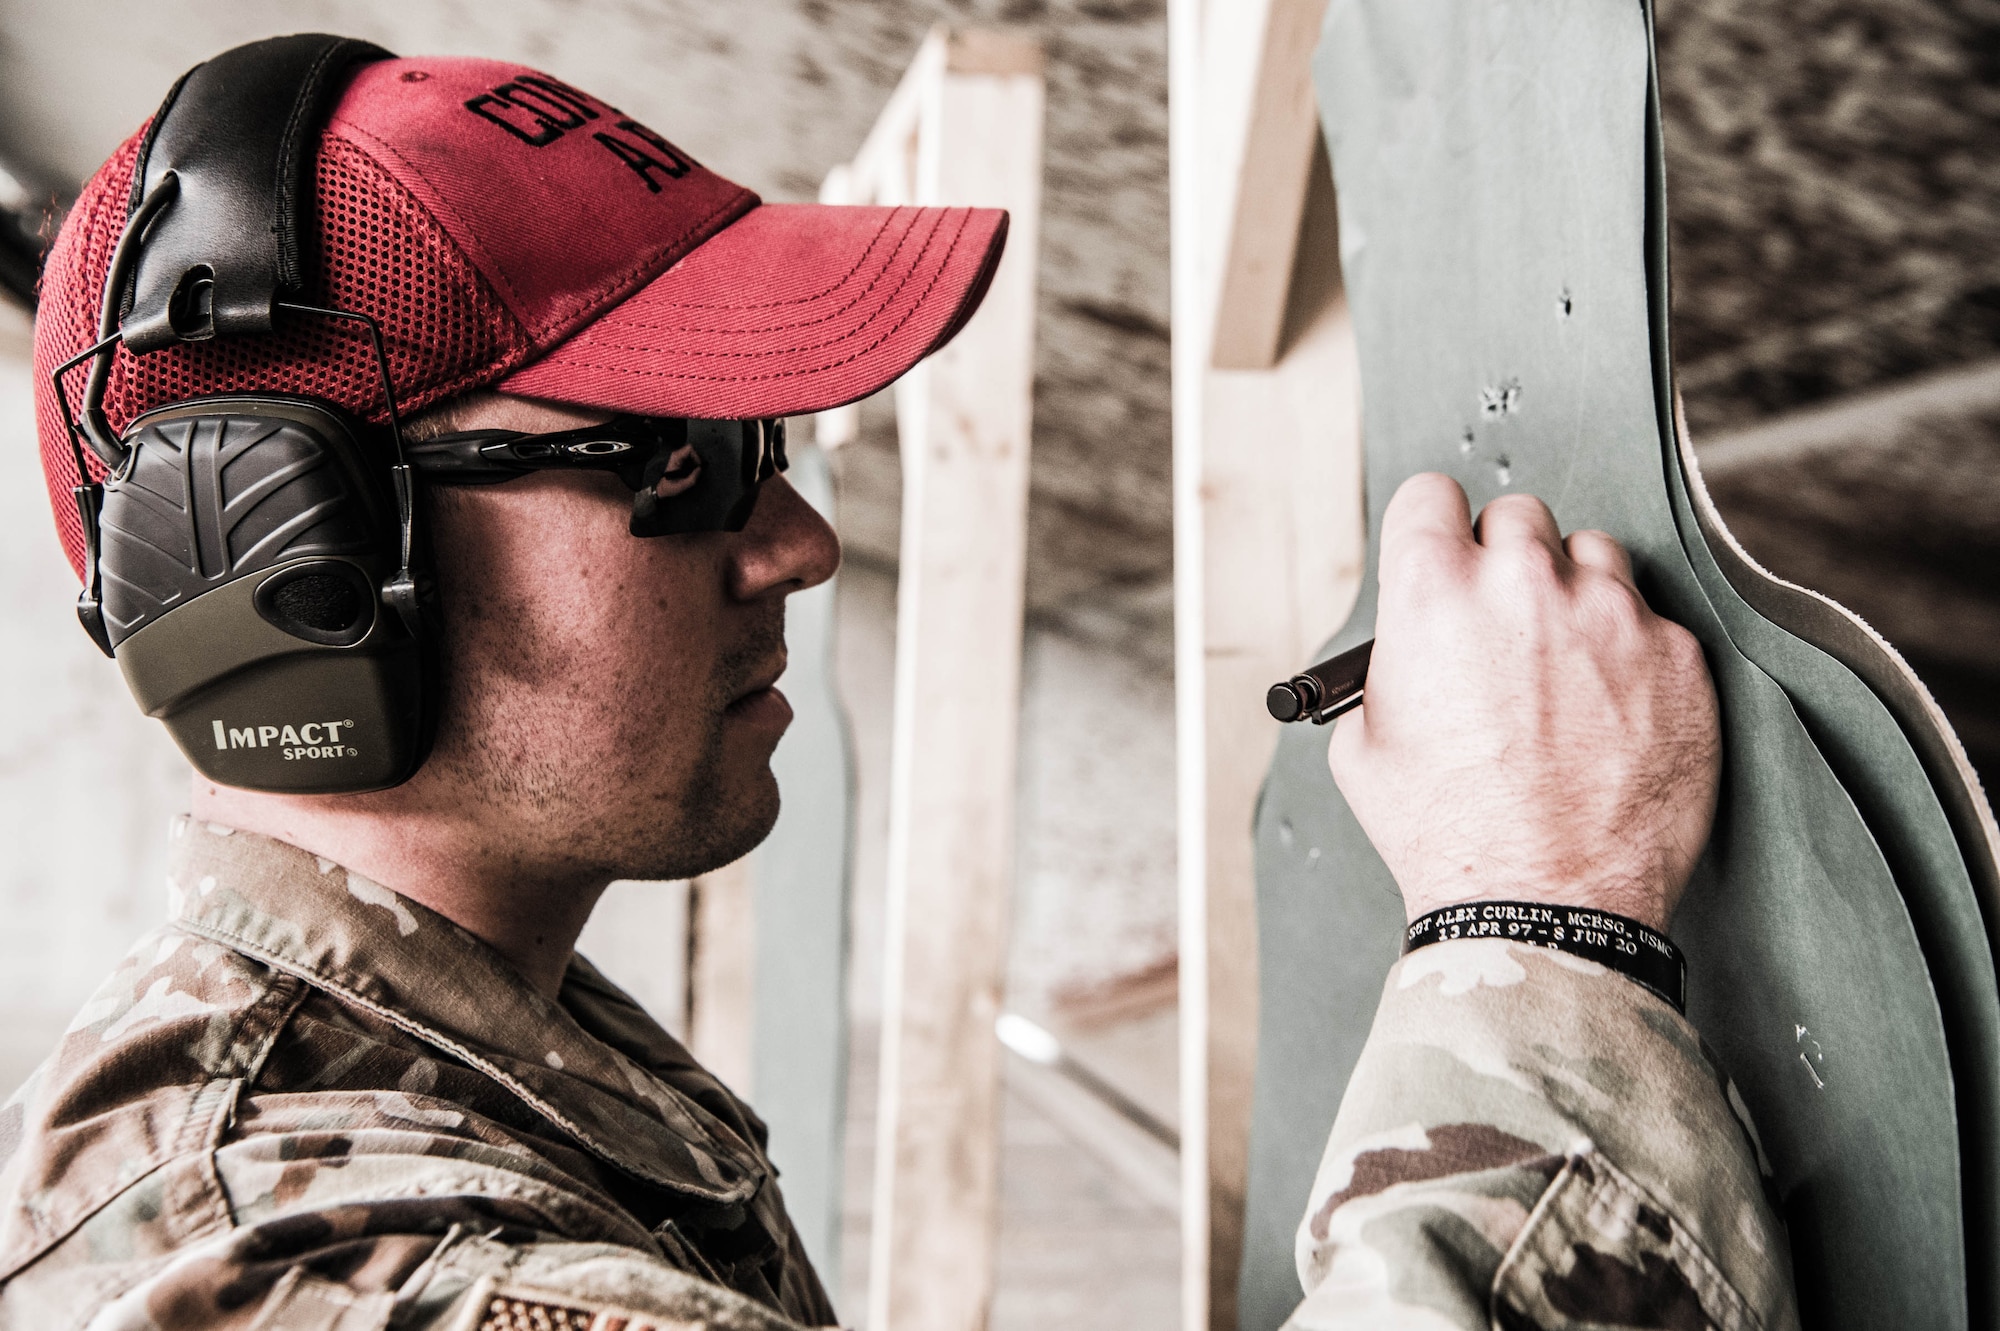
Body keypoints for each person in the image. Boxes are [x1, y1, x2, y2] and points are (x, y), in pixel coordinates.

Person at [0, 42, 1793, 1331]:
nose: (794, 542)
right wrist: (1544, 921)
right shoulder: (315, 1269)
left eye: (763, 445)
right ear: (289, 574)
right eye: (675, 464)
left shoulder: (454, 1053)